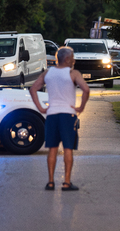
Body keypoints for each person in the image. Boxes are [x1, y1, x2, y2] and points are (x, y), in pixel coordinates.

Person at [30, 46, 90, 191]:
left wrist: (40, 108)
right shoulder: (72, 73)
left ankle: (50, 182)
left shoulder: (48, 73)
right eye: (73, 57)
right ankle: (66, 182)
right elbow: (86, 89)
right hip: (67, 115)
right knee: (68, 148)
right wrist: (81, 107)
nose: (74, 60)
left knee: (52, 149)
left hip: (52, 115)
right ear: (67, 58)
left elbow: (33, 89)